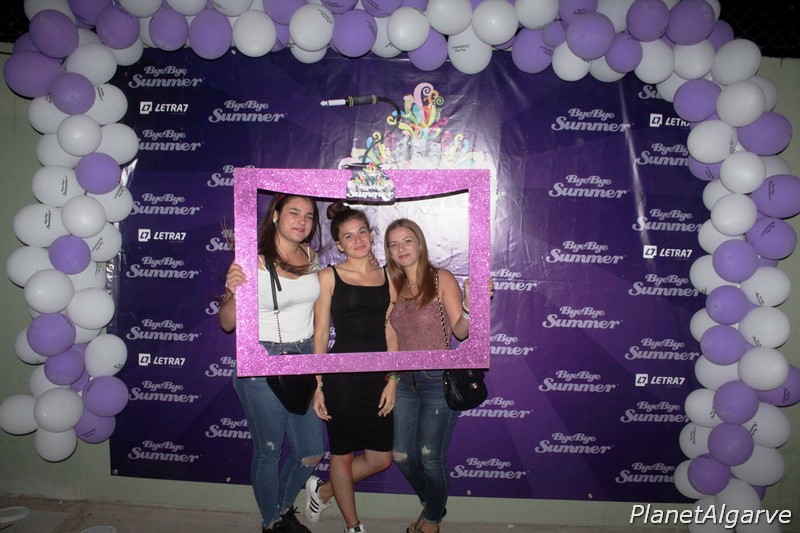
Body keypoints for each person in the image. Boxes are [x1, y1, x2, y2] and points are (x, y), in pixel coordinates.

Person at [219, 194, 324, 533]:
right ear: (276, 215)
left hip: (303, 358)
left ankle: (279, 508)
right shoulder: (252, 260)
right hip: (262, 360)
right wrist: (233, 290)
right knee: (269, 450)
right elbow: (227, 323)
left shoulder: (311, 256)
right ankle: (272, 523)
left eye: (309, 215)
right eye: (294, 212)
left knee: (311, 452)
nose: (302, 221)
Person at [304, 203, 397, 533]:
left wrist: (393, 379)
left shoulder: (389, 276)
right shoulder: (328, 276)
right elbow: (320, 333)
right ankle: (353, 526)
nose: (357, 240)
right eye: (348, 236)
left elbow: (390, 330)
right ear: (339, 245)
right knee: (342, 455)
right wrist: (317, 384)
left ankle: (324, 491)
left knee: (381, 458)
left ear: (371, 235)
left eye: (362, 232)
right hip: (341, 378)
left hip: (378, 378)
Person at [384, 218, 471, 533]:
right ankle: (435, 506)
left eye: (407, 240)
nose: (401, 248)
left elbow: (461, 330)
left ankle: (431, 522)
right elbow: (391, 335)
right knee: (401, 454)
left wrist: (471, 306)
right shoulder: (393, 284)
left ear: (419, 243)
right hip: (405, 380)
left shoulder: (440, 278)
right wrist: (392, 378)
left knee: (430, 456)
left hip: (437, 378)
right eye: (394, 244)